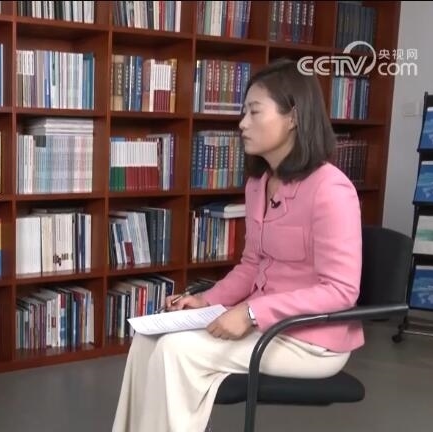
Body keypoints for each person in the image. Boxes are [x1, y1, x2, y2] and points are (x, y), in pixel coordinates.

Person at [111, 58, 365, 432]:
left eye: (254, 112)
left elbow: (340, 291)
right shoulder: (258, 184)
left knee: (177, 350)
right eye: (243, 112)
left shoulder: (331, 188)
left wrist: (250, 313)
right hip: (264, 325)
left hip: (310, 339)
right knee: (150, 338)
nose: (242, 123)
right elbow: (251, 265)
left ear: (293, 117)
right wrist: (207, 300)